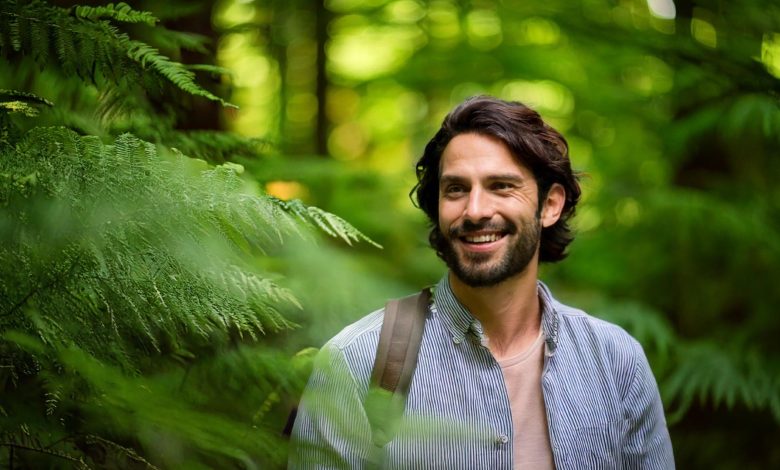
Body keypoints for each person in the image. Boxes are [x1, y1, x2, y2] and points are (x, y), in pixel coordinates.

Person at [289, 96, 674, 469]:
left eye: (501, 186)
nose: (475, 211)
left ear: (550, 205)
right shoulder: (355, 362)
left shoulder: (616, 361)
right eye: (456, 189)